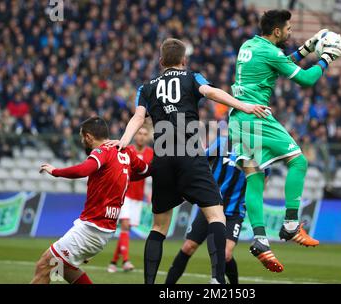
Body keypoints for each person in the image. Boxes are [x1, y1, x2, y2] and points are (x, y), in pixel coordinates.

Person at [106, 38, 270, 284]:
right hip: (190, 156)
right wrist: (243, 106)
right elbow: (211, 92)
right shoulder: (193, 77)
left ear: (161, 62)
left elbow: (138, 118)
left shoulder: (146, 87)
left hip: (162, 158)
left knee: (158, 228)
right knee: (216, 216)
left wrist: (123, 140)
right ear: (184, 60)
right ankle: (218, 281)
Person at [228, 9, 341, 272]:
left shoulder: (249, 45)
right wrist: (326, 58)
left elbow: (280, 64)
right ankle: (291, 223)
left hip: (237, 119)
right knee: (299, 161)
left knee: (255, 177)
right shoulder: (269, 52)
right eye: (289, 29)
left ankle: (260, 239)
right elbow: (304, 79)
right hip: (256, 116)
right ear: (277, 31)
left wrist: (307, 48)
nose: (291, 32)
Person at [31, 117, 150, 284]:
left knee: (45, 265)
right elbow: (146, 170)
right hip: (103, 229)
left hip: (92, 228)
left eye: (82, 137)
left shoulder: (102, 151)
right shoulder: (126, 151)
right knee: (62, 267)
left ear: (88, 137)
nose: (82, 141)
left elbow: (84, 169)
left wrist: (55, 171)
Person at [165, 135, 269, 284]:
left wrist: (253, 197)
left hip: (234, 211)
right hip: (211, 205)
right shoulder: (223, 143)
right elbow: (201, 161)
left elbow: (263, 180)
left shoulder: (259, 152)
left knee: (226, 254)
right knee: (188, 247)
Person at [108, 126, 154, 272]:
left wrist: (151, 192)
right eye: (139, 133)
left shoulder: (151, 154)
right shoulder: (128, 150)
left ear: (148, 138)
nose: (141, 136)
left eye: (144, 134)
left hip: (138, 197)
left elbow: (153, 174)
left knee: (126, 230)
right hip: (124, 194)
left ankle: (114, 262)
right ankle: (126, 261)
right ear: (135, 135)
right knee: (125, 224)